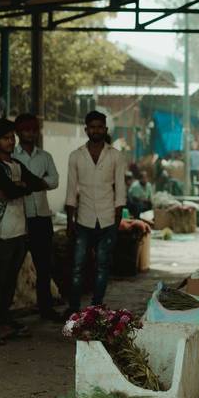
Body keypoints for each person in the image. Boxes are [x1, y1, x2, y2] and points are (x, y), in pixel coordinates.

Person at [0, 119, 44, 345]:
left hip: (19, 229)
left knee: (10, 280)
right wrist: (19, 187)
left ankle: (3, 321)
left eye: (11, 137)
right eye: (6, 138)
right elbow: (11, 189)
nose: (11, 141)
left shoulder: (15, 164)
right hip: (1, 230)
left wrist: (18, 188)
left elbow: (37, 183)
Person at [65, 111, 127, 314]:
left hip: (108, 218)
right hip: (83, 219)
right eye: (92, 127)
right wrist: (69, 221)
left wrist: (118, 217)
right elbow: (71, 190)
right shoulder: (76, 156)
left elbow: (120, 188)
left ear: (105, 129)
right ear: (86, 130)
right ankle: (74, 309)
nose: (96, 130)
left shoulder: (116, 156)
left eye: (100, 127)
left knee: (102, 267)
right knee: (77, 267)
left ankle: (96, 309)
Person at [14, 113, 61, 321]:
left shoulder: (45, 157)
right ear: (18, 132)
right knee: (13, 265)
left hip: (41, 217)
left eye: (33, 130)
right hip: (19, 217)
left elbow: (55, 181)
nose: (30, 134)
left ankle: (45, 309)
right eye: (26, 130)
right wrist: (40, 182)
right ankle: (6, 309)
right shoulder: (12, 157)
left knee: (43, 266)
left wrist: (34, 184)